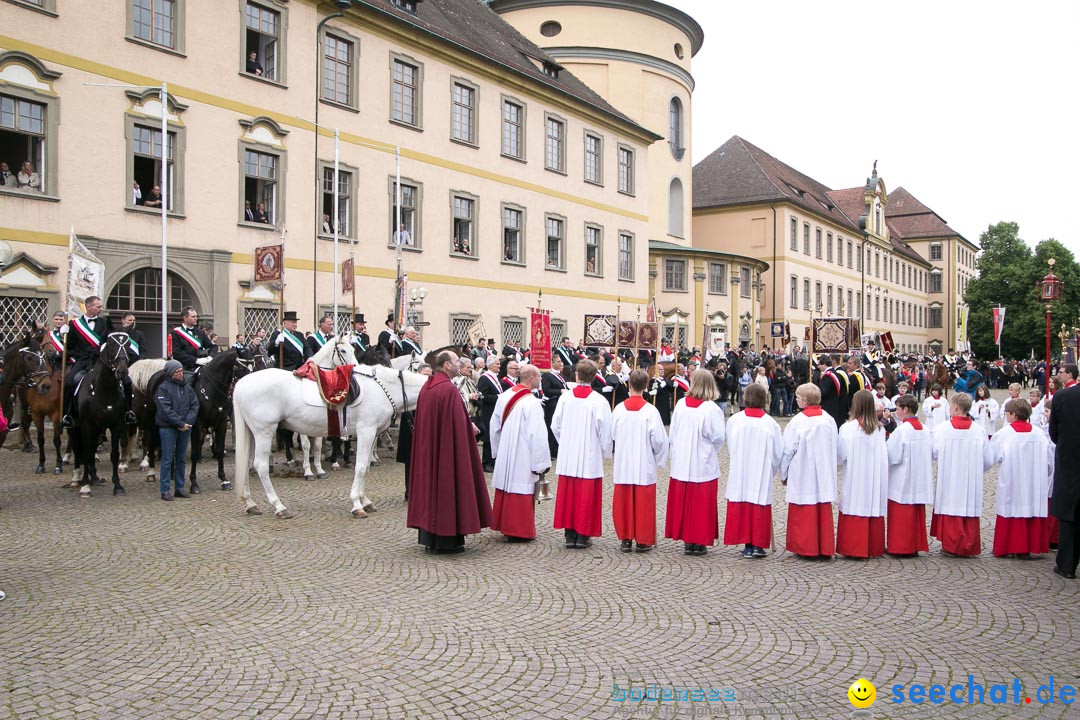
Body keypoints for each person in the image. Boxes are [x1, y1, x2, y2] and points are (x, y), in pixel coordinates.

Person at [407, 350, 492, 553]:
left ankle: (430, 537)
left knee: (432, 486)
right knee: (447, 486)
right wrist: (468, 428)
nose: (460, 363)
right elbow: (456, 426)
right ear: (446, 365)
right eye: (456, 361)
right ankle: (447, 538)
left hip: (431, 450)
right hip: (447, 450)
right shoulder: (448, 390)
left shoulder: (428, 387)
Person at [551, 359, 612, 549]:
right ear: (594, 377)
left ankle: (569, 534)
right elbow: (605, 431)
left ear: (576, 375)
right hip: (589, 452)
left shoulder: (565, 398)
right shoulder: (599, 401)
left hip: (569, 453)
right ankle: (583, 535)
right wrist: (604, 451)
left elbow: (555, 425)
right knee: (586, 494)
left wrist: (567, 442)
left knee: (569, 493)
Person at [665, 369, 726, 556]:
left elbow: (673, 433)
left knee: (686, 501)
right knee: (701, 503)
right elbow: (718, 437)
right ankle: (698, 540)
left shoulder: (682, 405)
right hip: (702, 460)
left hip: (683, 460)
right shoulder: (712, 410)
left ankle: (688, 539)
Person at [489, 365, 550, 542]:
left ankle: (503, 524)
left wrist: (498, 451)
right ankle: (519, 530)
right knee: (521, 486)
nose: (540, 380)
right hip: (523, 453)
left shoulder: (504, 396)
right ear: (531, 378)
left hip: (506, 449)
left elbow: (495, 426)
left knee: (507, 485)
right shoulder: (532, 403)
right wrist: (541, 464)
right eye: (539, 377)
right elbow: (537, 435)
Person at [610, 369, 667, 553]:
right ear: (645, 386)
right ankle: (643, 539)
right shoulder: (651, 411)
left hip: (624, 461)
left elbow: (612, 434)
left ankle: (626, 538)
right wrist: (659, 458)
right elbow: (659, 440)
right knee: (644, 502)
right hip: (643, 461)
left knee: (624, 501)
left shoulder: (618, 409)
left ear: (629, 385)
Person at [723, 383, 782, 558]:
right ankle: (757, 545)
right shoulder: (770, 424)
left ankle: (748, 544)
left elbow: (731, 444)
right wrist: (773, 469)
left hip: (741, 468)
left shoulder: (735, 420)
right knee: (758, 502)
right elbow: (778, 452)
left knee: (743, 500)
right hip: (761, 469)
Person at [931, 393, 993, 557]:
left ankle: (952, 545)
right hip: (971, 478)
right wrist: (975, 470)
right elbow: (988, 459)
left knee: (951, 506)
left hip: (950, 476)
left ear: (956, 407)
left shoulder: (942, 429)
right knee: (968, 509)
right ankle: (969, 545)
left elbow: (934, 452)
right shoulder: (979, 431)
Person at [780, 383, 838, 558]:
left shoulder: (798, 421)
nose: (796, 399)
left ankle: (805, 547)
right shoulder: (828, 419)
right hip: (823, 471)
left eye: (798, 397)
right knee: (821, 507)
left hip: (803, 471)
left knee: (803, 509)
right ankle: (823, 546)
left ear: (805, 400)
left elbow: (788, 450)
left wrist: (784, 473)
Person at [990, 398, 1052, 558]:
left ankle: (1008, 546)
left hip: (1013, 481)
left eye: (1007, 414)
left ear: (1013, 414)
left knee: (1011, 507)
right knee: (1030, 508)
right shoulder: (1040, 434)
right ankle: (1029, 546)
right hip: (1034, 484)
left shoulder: (1004, 434)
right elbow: (1049, 463)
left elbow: (991, 457)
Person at [835, 390, 889, 558]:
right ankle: (873, 546)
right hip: (873, 475)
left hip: (855, 475)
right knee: (871, 503)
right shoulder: (879, 429)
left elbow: (840, 455)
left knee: (854, 502)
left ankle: (853, 547)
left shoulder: (847, 428)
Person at [885, 395, 933, 556]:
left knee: (901, 513)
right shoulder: (925, 430)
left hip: (902, 477)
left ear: (905, 410)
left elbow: (893, 456)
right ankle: (915, 544)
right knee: (916, 513)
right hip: (919, 477)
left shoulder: (902, 431)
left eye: (897, 408)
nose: (895, 412)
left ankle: (901, 546)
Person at [61, 295, 111, 428]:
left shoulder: (105, 322)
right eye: (98, 306)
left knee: (119, 382)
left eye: (101, 306)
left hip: (100, 360)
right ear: (89, 307)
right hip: (82, 360)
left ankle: (121, 413)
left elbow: (109, 342)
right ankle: (67, 415)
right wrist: (63, 337)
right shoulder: (74, 324)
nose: (101, 309)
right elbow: (69, 347)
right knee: (69, 382)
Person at [1050, 364, 1080, 578]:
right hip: (1070, 460)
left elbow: (1054, 432)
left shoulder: (1062, 397)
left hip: (1071, 461)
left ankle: (1066, 566)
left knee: (1070, 515)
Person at [156, 360, 199, 501]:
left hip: (185, 427)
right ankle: (165, 489)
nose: (181, 373)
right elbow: (165, 409)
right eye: (177, 371)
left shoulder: (187, 388)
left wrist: (187, 422)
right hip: (168, 428)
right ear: (170, 373)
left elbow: (195, 405)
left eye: (181, 371)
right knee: (167, 459)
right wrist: (179, 423)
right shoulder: (163, 388)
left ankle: (179, 487)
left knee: (181, 459)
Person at [397, 363, 433, 500]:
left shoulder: (432, 390)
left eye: (429, 375)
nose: (427, 378)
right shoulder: (409, 390)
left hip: (426, 430)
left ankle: (424, 490)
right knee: (410, 462)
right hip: (410, 428)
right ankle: (410, 491)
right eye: (425, 375)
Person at [477, 355, 503, 472]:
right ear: (491, 365)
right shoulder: (485, 378)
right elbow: (483, 396)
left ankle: (493, 460)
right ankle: (486, 462)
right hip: (488, 411)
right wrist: (498, 397)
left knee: (495, 435)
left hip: (496, 410)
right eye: (497, 364)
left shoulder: (495, 377)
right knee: (488, 437)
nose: (499, 366)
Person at [171, 306, 214, 377]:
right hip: (184, 368)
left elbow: (212, 347)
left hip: (201, 367)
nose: (196, 318)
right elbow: (178, 353)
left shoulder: (200, 332)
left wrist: (210, 357)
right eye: (193, 317)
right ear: (185, 318)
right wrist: (196, 360)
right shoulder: (176, 333)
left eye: (196, 316)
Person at [540, 354, 567, 457]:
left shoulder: (560, 374)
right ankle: (550, 450)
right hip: (552, 404)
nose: (561, 363)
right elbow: (547, 390)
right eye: (558, 361)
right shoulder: (548, 375)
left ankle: (556, 449)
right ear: (552, 363)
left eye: (561, 361)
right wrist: (560, 391)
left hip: (560, 403)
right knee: (551, 426)